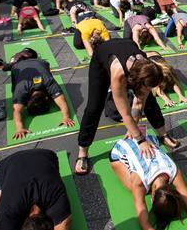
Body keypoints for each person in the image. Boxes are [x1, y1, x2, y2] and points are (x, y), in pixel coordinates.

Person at [74, 39, 175, 175]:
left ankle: (163, 134)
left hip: (127, 48)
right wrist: (140, 140)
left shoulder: (148, 66)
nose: (148, 91)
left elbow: (139, 103)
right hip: (102, 61)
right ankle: (82, 152)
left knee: (149, 100)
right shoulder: (118, 74)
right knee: (94, 107)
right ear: (138, 82)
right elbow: (125, 113)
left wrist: (133, 128)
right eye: (146, 88)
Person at [9, 54, 75, 139]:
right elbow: (16, 111)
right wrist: (19, 128)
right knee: (14, 92)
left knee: (16, 96)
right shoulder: (21, 89)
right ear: (47, 97)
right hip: (21, 65)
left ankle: (25, 56)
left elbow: (17, 111)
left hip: (39, 63)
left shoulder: (48, 82)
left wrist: (19, 128)